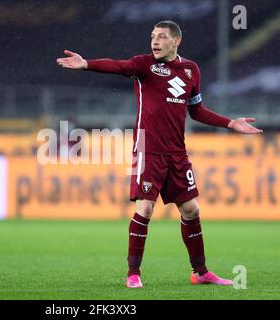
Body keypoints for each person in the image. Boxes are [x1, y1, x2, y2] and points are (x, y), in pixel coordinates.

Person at [57, 20, 262, 288]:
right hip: (148, 149)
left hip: (177, 153)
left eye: (162, 36)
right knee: (145, 207)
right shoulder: (144, 65)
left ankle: (200, 273)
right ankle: (133, 273)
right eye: (153, 36)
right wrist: (88, 64)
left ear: (176, 41)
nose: (154, 41)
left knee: (191, 209)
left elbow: (196, 110)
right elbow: (117, 66)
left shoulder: (191, 70)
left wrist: (230, 123)